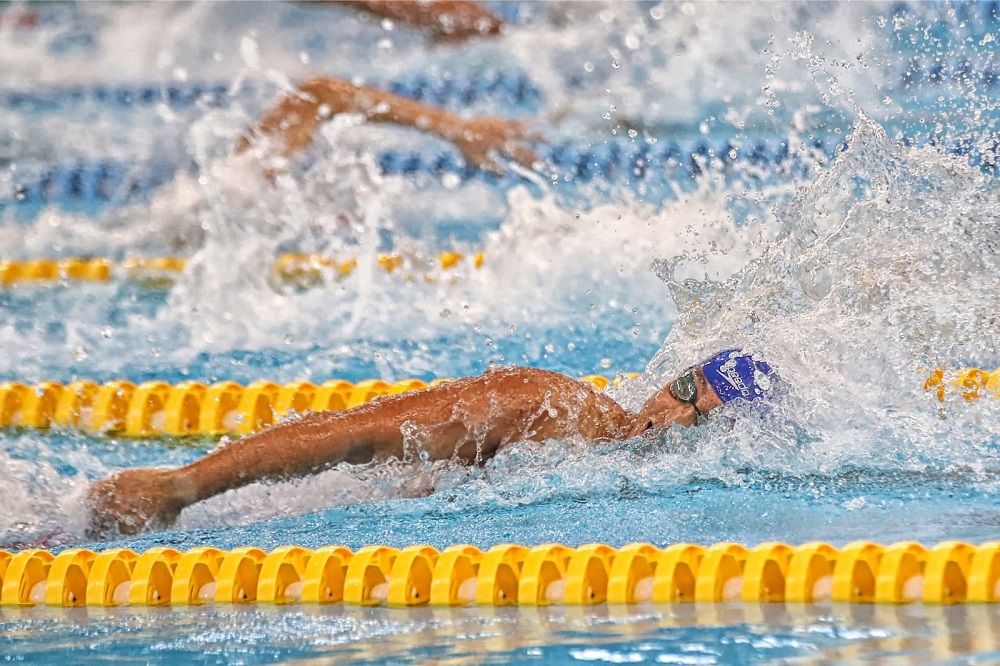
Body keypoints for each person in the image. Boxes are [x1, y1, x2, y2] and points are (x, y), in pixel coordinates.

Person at [86, 349, 775, 537]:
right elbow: (356, 434)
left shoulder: (700, 500)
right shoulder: (550, 406)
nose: (678, 419)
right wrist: (186, 486)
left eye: (705, 417)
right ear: (667, 379)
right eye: (685, 390)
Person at [238, 76, 537, 175]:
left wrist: (457, 128)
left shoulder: (238, 178)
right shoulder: (232, 189)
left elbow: (319, 94)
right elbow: (318, 94)